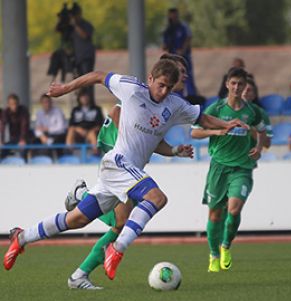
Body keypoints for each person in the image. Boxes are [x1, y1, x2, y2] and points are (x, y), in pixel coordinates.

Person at [3, 59, 247, 283]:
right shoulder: (131, 88)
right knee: (157, 198)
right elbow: (98, 75)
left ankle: (21, 237)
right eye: (161, 85)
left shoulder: (174, 105)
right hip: (117, 162)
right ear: (150, 78)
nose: (163, 92)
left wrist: (225, 125)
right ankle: (117, 249)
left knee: (76, 219)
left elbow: (202, 118)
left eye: (169, 88)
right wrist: (65, 89)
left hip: (125, 172)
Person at [63, 53, 192, 290]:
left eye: (183, 73)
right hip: (117, 159)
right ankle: (81, 197)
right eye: (181, 70)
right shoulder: (140, 94)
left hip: (129, 165)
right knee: (122, 221)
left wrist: (174, 150)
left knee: (120, 224)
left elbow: (154, 141)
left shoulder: (166, 105)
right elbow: (117, 114)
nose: (184, 75)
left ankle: (79, 275)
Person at [191, 67, 266, 272]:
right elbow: (195, 133)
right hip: (219, 167)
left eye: (240, 84)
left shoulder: (252, 111)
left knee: (234, 209)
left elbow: (262, 132)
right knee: (215, 215)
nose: (236, 87)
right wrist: (219, 130)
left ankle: (226, 246)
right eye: (233, 83)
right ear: (227, 84)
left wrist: (258, 147)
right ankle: (214, 254)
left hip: (242, 167)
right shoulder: (215, 109)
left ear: (245, 86)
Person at [162, 7, 197, 96]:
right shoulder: (168, 29)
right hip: (173, 58)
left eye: (175, 15)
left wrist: (182, 50)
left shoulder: (183, 26)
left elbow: (188, 38)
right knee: (175, 76)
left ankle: (192, 96)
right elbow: (165, 44)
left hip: (184, 57)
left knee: (187, 76)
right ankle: (177, 95)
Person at [70, 3, 96, 102]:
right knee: (78, 82)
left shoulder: (86, 25)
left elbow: (85, 36)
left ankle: (90, 103)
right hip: (77, 58)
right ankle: (80, 103)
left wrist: (75, 25)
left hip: (86, 57)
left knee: (88, 81)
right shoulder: (71, 27)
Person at [66, 90, 104, 155]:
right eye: (82, 97)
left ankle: (96, 153)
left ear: (90, 98)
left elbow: (100, 124)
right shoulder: (75, 110)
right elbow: (71, 124)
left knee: (92, 133)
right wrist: (78, 129)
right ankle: (68, 151)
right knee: (71, 130)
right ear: (79, 98)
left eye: (86, 96)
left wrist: (91, 130)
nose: (85, 98)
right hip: (78, 133)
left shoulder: (97, 109)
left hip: (92, 132)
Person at [0, 94, 32, 158]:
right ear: (8, 105)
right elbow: (2, 126)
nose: (14, 106)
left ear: (18, 103)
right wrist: (1, 140)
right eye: (12, 104)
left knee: (23, 151)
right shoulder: (6, 112)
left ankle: (24, 165)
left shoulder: (23, 111)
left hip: (25, 137)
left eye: (15, 103)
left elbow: (24, 126)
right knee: (3, 152)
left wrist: (22, 139)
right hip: (13, 138)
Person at [242, 78, 271, 148]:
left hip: (249, 156)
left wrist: (251, 130)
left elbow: (267, 144)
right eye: (242, 89)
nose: (245, 92)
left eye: (249, 90)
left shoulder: (261, 113)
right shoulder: (223, 110)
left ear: (254, 95)